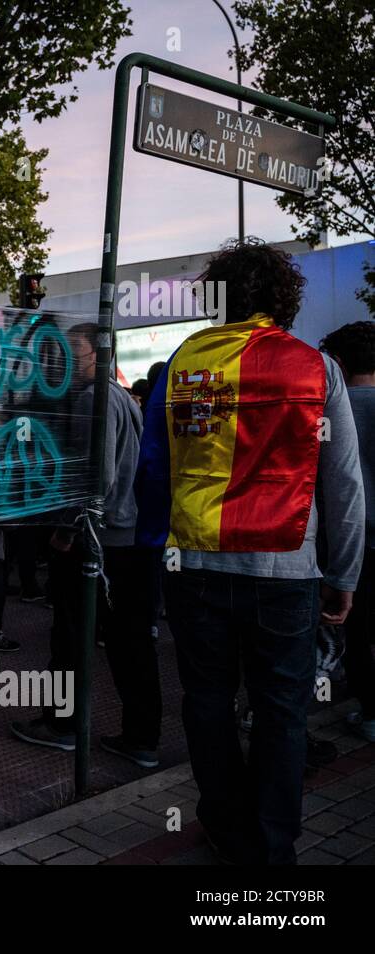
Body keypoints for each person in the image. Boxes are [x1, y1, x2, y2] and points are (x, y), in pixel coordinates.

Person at [135, 239, 365, 865]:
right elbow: (341, 482)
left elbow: (153, 466)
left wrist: (160, 551)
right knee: (281, 712)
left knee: (206, 704)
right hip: (286, 568)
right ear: (284, 299)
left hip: (195, 565)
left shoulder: (183, 363)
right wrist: (343, 572)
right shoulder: (316, 367)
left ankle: (224, 825)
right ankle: (271, 847)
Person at [12, 322, 162, 768]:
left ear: (97, 356)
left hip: (101, 542)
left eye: (70, 354)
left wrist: (67, 531)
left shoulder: (92, 398)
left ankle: (64, 724)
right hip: (127, 539)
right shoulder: (117, 396)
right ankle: (141, 735)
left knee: (73, 635)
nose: (60, 363)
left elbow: (96, 480)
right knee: (128, 640)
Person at [318, 320, 375, 742]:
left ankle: (370, 711)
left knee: (354, 629)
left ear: (336, 362)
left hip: (348, 541)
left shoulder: (329, 411)